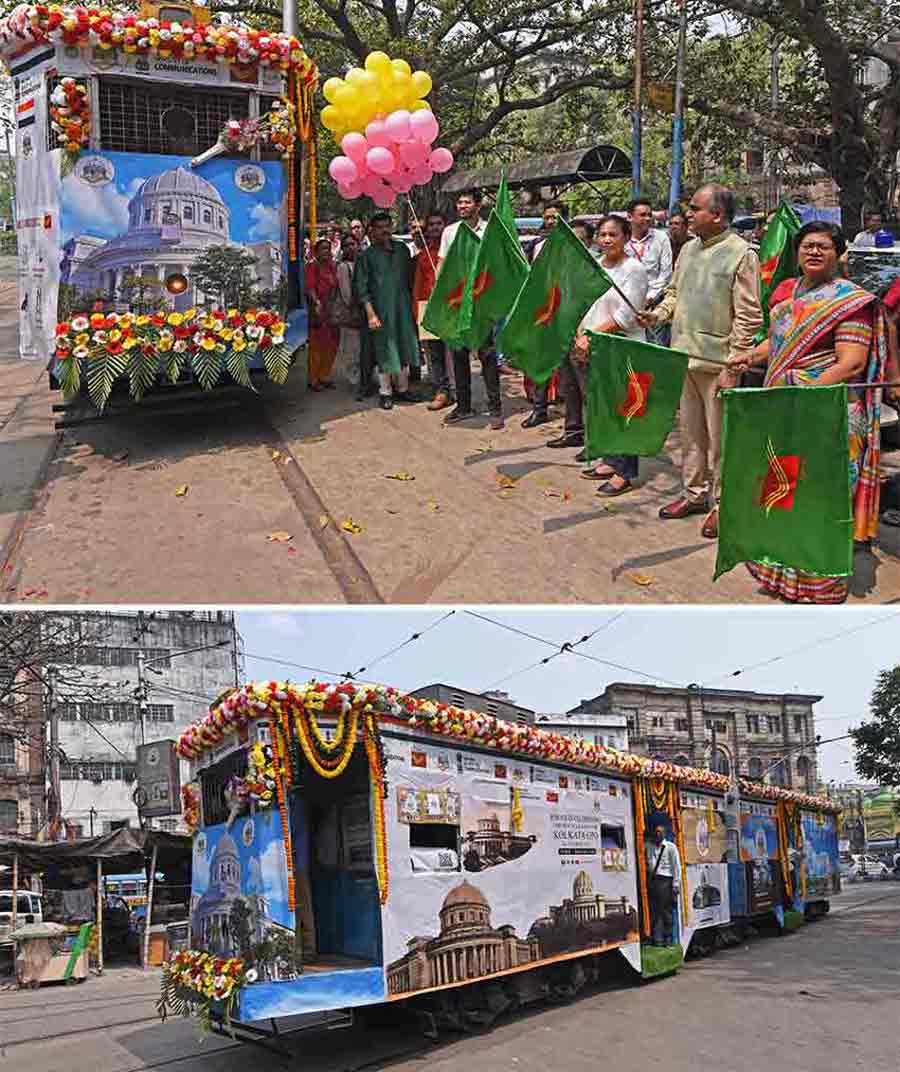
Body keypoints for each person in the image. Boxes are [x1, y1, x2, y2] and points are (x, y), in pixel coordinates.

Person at [725, 221, 888, 603]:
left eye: (824, 247)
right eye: (808, 246)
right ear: (797, 252)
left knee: (817, 499)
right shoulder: (790, 294)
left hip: (826, 414)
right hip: (785, 409)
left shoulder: (850, 302)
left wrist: (807, 393)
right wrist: (750, 355)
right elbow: (777, 341)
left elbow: (850, 364)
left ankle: (818, 585)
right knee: (782, 492)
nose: (814, 252)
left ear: (839, 254)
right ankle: (781, 574)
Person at [639, 183, 763, 540]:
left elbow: (749, 315)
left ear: (718, 215)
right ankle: (693, 494)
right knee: (691, 436)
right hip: (684, 356)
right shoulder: (690, 249)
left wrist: (733, 364)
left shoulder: (742, 254)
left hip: (719, 364)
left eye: (694, 208)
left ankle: (724, 507)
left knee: (722, 440)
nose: (687, 214)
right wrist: (658, 315)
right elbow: (675, 293)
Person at [575, 215, 649, 497]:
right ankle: (610, 460)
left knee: (625, 409)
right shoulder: (595, 267)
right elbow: (587, 303)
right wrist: (581, 333)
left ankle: (625, 472)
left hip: (623, 347)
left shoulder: (634, 270)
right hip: (595, 347)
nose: (606, 240)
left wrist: (591, 334)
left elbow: (625, 316)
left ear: (626, 237)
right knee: (603, 406)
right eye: (602, 235)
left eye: (613, 235)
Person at [439, 188, 504, 429]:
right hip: (457, 301)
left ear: (478, 205)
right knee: (458, 354)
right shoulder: (450, 232)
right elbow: (443, 264)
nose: (462, 206)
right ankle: (464, 406)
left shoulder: (490, 231)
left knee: (487, 354)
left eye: (467, 202)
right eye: (460, 203)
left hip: (482, 302)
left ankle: (495, 408)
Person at [353, 212, 421, 410]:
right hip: (380, 311)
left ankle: (402, 388)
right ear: (372, 231)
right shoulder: (366, 256)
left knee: (402, 347)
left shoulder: (401, 250)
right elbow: (361, 288)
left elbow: (411, 277)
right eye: (379, 227)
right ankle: (386, 392)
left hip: (402, 308)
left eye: (387, 226)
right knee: (384, 349)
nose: (384, 230)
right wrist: (371, 314)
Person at [522, 202, 569, 429]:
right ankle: (539, 409)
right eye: (548, 217)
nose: (551, 221)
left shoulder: (574, 246)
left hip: (567, 310)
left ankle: (574, 416)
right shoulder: (535, 246)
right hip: (542, 311)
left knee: (570, 363)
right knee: (540, 357)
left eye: (556, 217)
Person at [413, 211, 455, 411]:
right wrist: (418, 312)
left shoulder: (454, 252)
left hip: (451, 307)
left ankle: (458, 392)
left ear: (445, 226)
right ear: (426, 229)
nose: (435, 228)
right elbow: (418, 287)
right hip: (429, 308)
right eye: (431, 225)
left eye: (439, 223)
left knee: (456, 352)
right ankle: (442, 391)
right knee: (435, 353)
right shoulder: (423, 256)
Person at [305, 237, 340, 391]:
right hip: (318, 311)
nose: (326, 251)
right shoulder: (312, 267)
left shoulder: (333, 266)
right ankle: (313, 379)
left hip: (332, 311)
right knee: (317, 347)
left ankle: (325, 376)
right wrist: (317, 303)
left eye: (328, 248)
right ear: (316, 252)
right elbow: (310, 288)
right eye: (323, 249)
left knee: (332, 345)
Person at [626, 199, 673, 309]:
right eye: (642, 215)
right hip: (626, 301)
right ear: (629, 217)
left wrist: (650, 297)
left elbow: (666, 273)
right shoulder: (622, 239)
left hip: (655, 302)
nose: (647, 218)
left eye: (649, 215)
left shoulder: (661, 237)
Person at [332, 234, 362, 391]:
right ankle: (354, 381)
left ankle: (361, 379)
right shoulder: (343, 267)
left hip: (363, 312)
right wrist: (355, 308)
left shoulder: (361, 263)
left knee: (361, 348)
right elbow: (346, 294)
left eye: (353, 244)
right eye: (347, 245)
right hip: (352, 313)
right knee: (351, 349)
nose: (351, 247)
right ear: (342, 249)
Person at [648, 825, 681, 947]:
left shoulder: (671, 847)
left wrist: (676, 884)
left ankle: (668, 939)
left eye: (659, 832)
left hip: (665, 880)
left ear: (664, 834)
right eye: (656, 832)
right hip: (653, 880)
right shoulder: (649, 846)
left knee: (666, 911)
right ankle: (656, 939)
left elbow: (676, 866)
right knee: (655, 911)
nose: (657, 834)